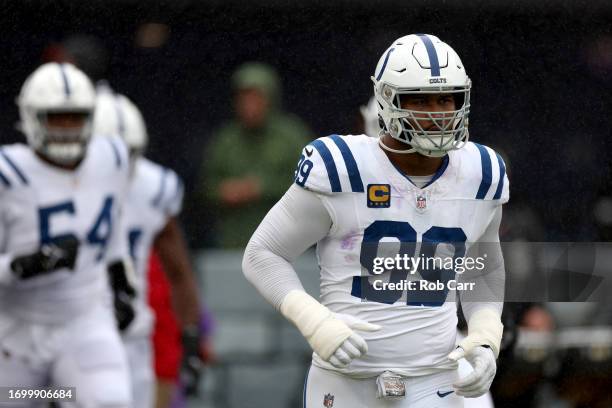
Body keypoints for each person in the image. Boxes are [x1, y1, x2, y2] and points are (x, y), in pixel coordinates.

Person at [243, 34, 508, 407]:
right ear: (387, 99)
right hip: (348, 381)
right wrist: (313, 321)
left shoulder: (480, 172)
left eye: (446, 98)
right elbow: (262, 253)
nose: (437, 112)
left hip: (436, 379)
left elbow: (484, 270)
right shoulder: (342, 167)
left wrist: (484, 335)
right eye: (420, 99)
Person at [0, 62, 133, 407]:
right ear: (32, 118)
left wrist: (120, 273)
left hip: (83, 319)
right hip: (13, 333)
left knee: (110, 401)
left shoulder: (112, 157)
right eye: (57, 118)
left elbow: (112, 219)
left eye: (75, 117)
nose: (67, 128)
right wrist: (24, 265)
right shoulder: (8, 175)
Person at [93, 89, 206, 408]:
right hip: (62, 329)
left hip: (131, 335)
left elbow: (180, 274)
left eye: (129, 152)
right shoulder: (50, 185)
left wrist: (192, 338)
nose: (120, 163)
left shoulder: (154, 188)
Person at [200, 62, 311, 248]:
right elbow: (206, 187)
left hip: (285, 243)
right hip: (234, 244)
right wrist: (223, 192)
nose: (249, 106)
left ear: (270, 98)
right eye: (243, 99)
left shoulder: (292, 137)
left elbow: (312, 185)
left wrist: (260, 188)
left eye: (256, 98)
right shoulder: (226, 140)